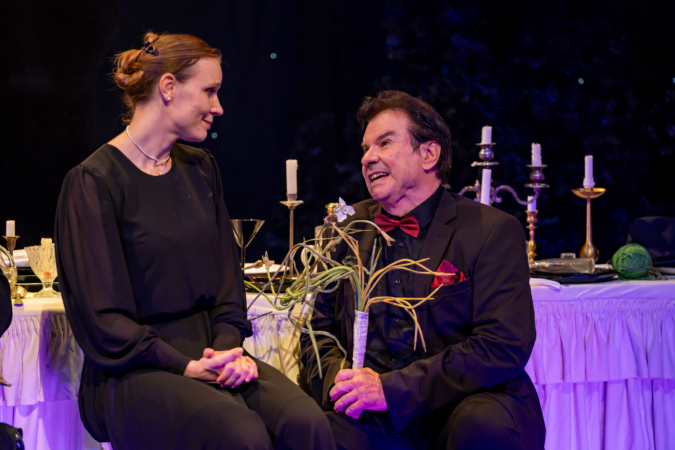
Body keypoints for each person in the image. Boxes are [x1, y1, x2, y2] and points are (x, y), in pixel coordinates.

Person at [55, 32, 335, 450]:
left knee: (306, 423)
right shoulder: (94, 181)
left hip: (212, 353)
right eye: (210, 91)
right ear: (169, 87)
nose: (218, 107)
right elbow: (103, 321)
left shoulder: (201, 168)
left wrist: (226, 352)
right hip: (133, 369)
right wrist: (186, 366)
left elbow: (228, 288)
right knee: (241, 435)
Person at [301, 90, 546, 449]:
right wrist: (341, 383)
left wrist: (392, 390)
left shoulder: (491, 230)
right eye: (365, 148)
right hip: (375, 419)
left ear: (429, 154)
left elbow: (502, 345)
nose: (368, 158)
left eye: (385, 143)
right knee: (316, 434)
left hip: (467, 402)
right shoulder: (345, 228)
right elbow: (317, 330)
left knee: (482, 425)